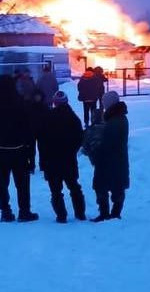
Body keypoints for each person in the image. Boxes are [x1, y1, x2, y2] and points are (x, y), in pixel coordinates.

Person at [0, 74, 39, 223]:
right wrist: (30, 153)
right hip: (19, 148)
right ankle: (24, 211)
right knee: (22, 182)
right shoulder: (22, 103)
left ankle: (5, 211)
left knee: (1, 181)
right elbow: (29, 129)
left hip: (0, 149)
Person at [39, 90, 86, 223]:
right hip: (68, 160)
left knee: (56, 191)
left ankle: (61, 215)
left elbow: (42, 142)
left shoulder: (47, 118)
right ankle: (80, 213)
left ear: (54, 103)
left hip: (51, 161)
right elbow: (79, 138)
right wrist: (71, 151)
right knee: (74, 187)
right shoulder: (73, 118)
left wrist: (43, 162)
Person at [91, 91, 130, 222]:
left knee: (105, 186)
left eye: (104, 102)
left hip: (110, 159)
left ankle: (109, 213)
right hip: (116, 159)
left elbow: (108, 142)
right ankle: (112, 213)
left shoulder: (115, 120)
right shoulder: (117, 117)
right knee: (115, 186)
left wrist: (96, 150)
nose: (103, 105)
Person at [25, 88, 50, 174]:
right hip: (31, 131)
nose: (37, 98)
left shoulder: (45, 107)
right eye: (36, 96)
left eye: (38, 96)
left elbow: (48, 119)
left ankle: (43, 165)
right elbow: (26, 119)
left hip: (42, 132)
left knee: (43, 149)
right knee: (30, 151)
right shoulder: (29, 106)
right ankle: (31, 166)